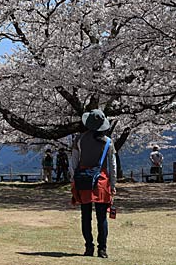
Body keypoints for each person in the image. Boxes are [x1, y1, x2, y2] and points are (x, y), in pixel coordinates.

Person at [70, 108, 117, 259]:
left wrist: (73, 180)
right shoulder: (108, 142)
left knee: (85, 215)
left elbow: (74, 162)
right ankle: (102, 249)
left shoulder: (79, 140)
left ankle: (88, 247)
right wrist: (113, 184)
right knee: (102, 217)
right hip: (101, 181)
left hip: (83, 180)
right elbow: (113, 165)